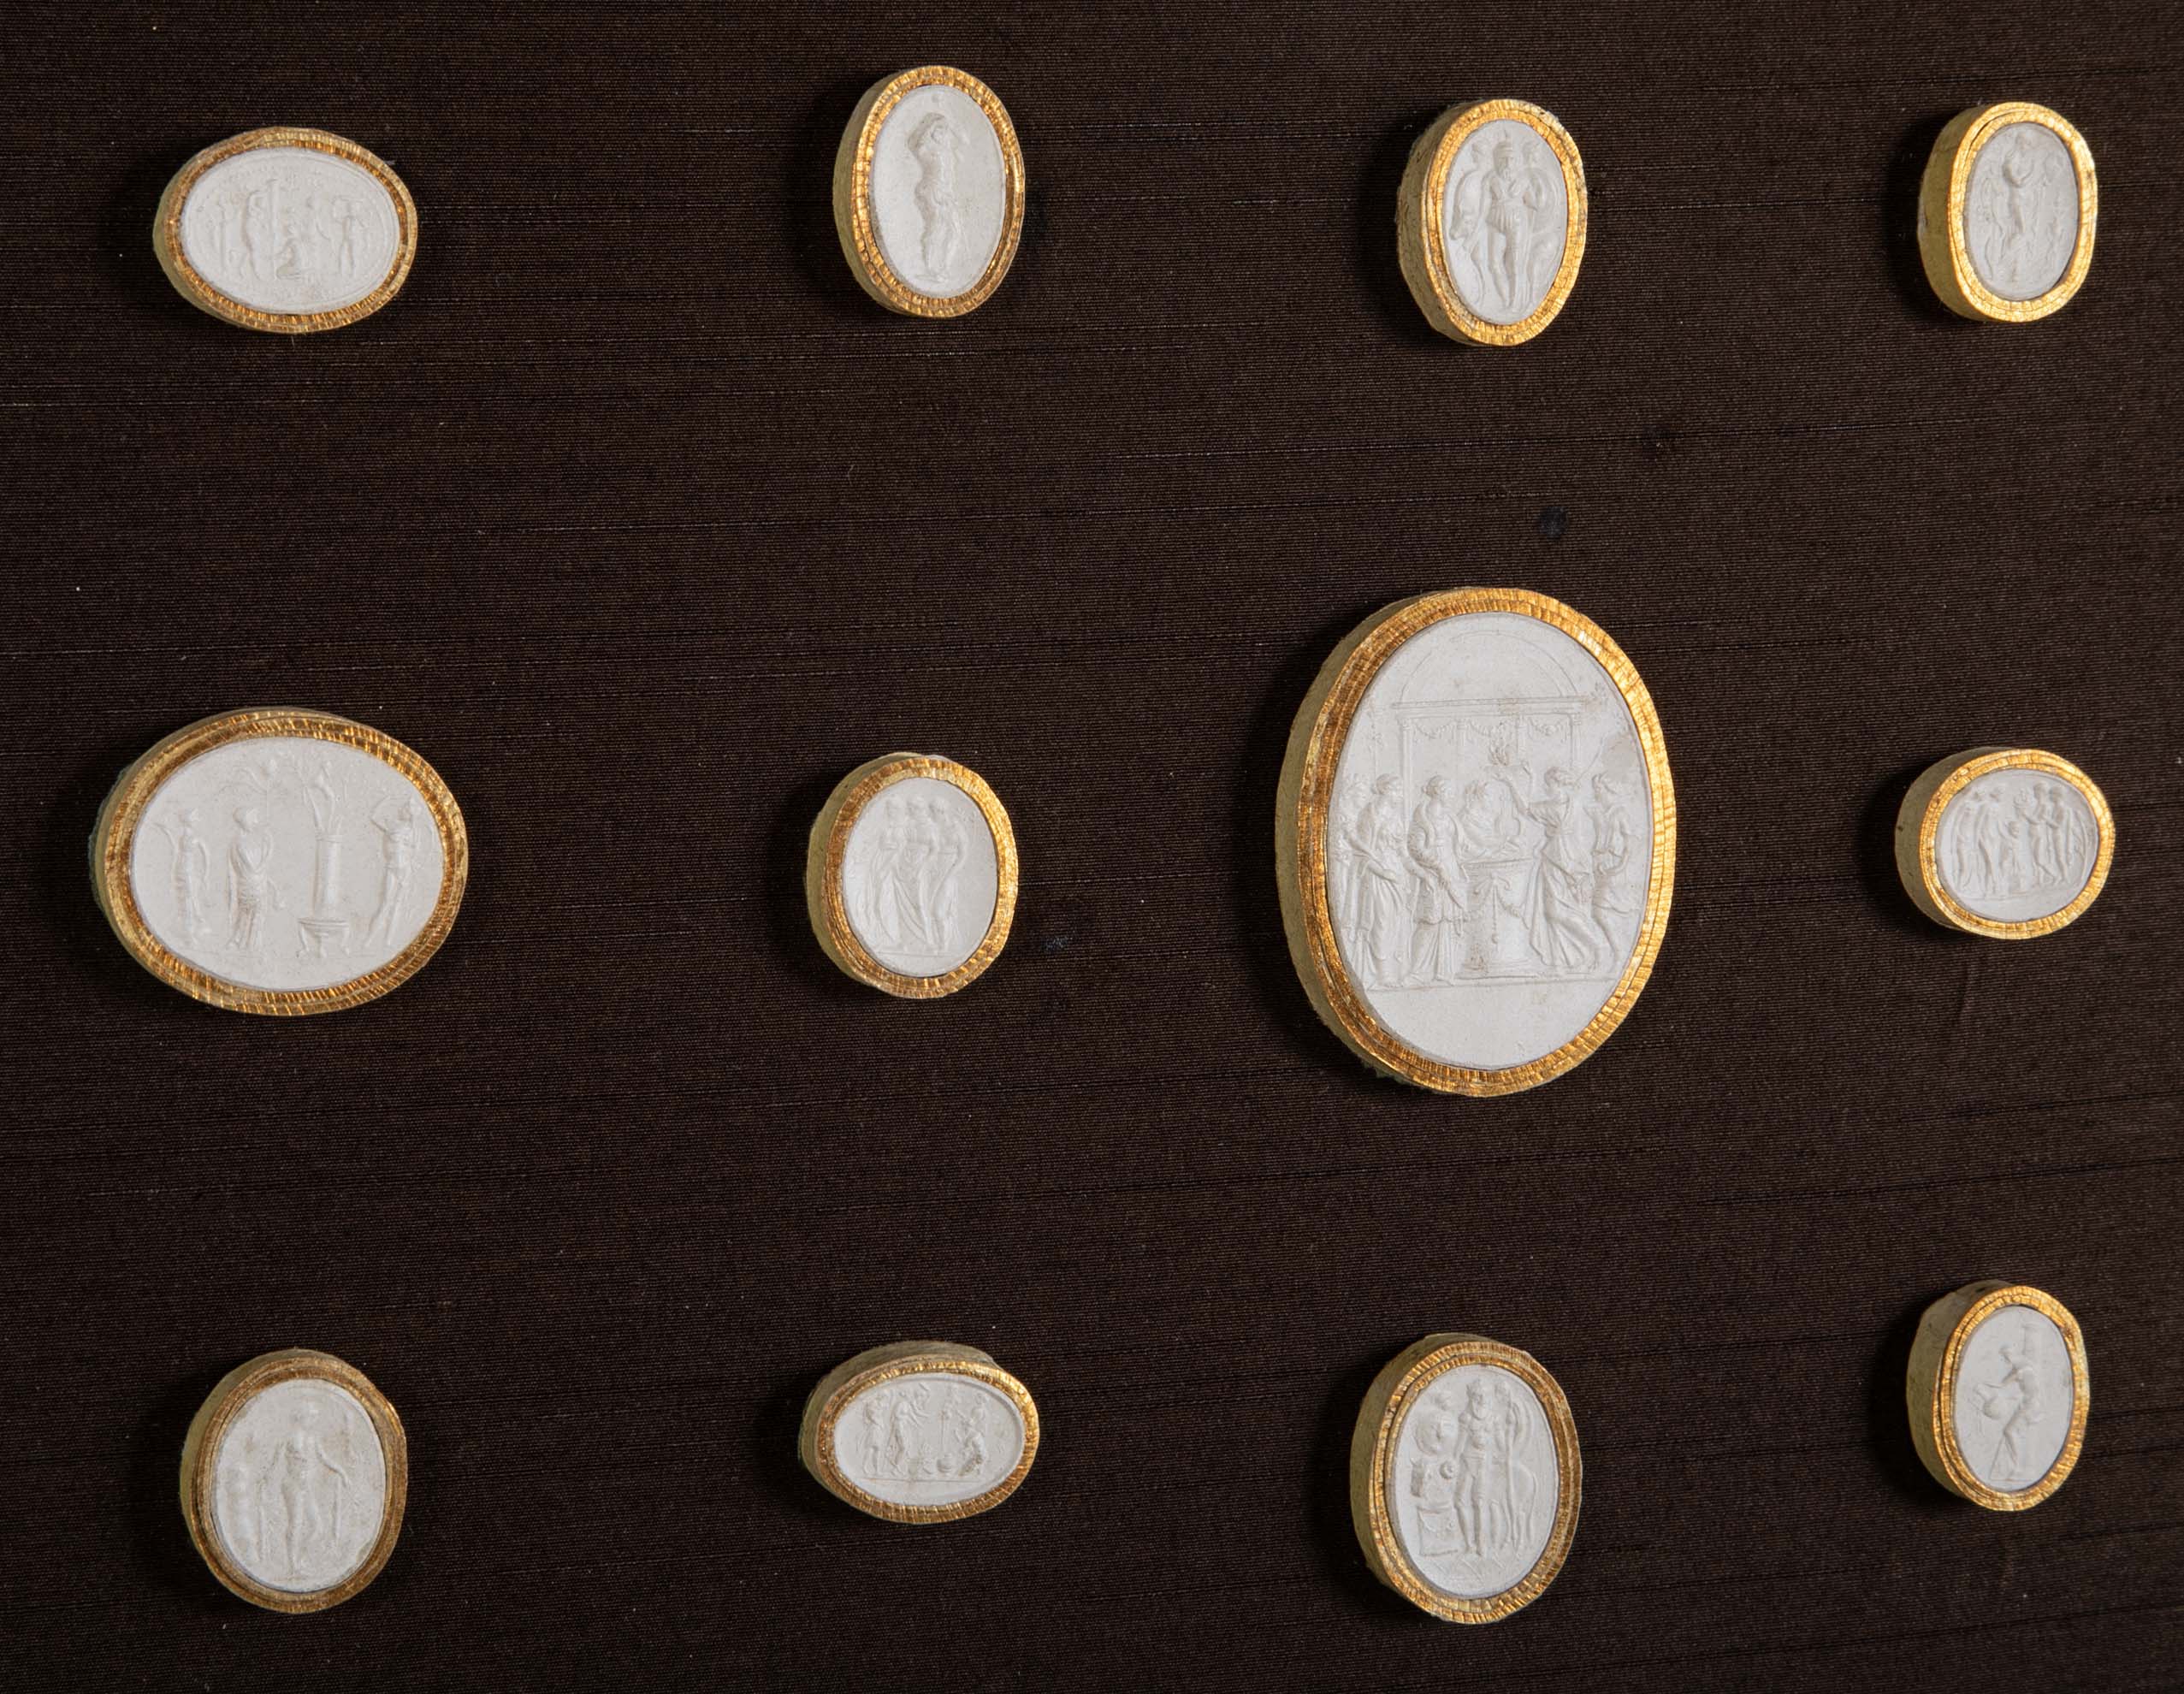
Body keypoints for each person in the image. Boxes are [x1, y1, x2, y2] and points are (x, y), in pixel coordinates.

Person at [1523, 769, 1605, 974]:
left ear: (1557, 784)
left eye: (1548, 784)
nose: (1546, 788)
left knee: (1556, 912)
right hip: (1561, 860)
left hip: (1565, 861)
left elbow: (1525, 807)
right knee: (1551, 913)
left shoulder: (1556, 807)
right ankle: (1561, 962)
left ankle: (1596, 944)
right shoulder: (1571, 803)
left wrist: (1520, 781)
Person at [1343, 775, 1409, 987]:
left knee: (1394, 922)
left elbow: (1403, 852)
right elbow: (1363, 853)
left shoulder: (1396, 817)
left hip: (1396, 874)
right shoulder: (1369, 816)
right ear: (1385, 790)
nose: (1400, 795)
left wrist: (1417, 872)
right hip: (1377, 876)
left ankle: (1391, 969)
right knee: (1380, 921)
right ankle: (1382, 972)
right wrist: (1383, 872)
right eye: (1397, 790)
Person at [1405, 776, 1465, 984]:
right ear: (1438, 792)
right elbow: (1415, 849)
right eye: (1449, 791)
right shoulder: (1422, 816)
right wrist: (1439, 867)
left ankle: (1443, 971)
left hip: (1451, 868)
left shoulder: (1449, 816)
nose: (1452, 795)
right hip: (1432, 872)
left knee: (1447, 919)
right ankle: (1416, 972)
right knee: (1430, 919)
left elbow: (1458, 843)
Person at [908, 112, 962, 287]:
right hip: (931, 191)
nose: (942, 133)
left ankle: (945, 268)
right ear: (931, 132)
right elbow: (915, 145)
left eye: (944, 129)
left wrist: (950, 124)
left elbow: (964, 141)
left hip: (947, 193)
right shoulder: (928, 150)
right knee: (936, 226)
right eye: (938, 129)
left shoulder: (948, 151)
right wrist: (929, 126)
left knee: (955, 230)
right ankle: (930, 267)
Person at [366, 797, 419, 949]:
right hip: (391, 867)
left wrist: (414, 819)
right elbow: (374, 817)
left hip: (404, 870)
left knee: (397, 905)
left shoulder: (412, 830)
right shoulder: (393, 825)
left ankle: (389, 941)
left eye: (405, 809)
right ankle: (370, 939)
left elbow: (414, 847)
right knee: (386, 903)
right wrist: (385, 801)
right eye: (404, 808)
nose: (401, 810)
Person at [227, 805, 280, 953]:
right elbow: (255, 869)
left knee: (246, 916)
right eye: (253, 818)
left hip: (252, 885)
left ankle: (240, 943)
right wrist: (270, 847)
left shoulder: (242, 841)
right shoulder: (240, 843)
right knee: (256, 915)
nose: (256, 822)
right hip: (251, 886)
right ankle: (250, 947)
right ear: (245, 820)